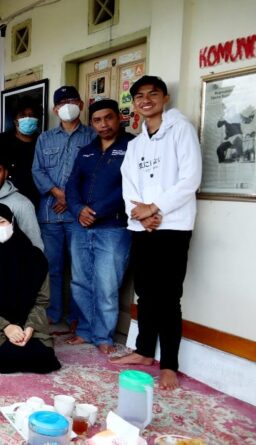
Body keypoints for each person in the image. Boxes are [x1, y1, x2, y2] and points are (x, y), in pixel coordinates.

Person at [112, 75, 202, 390]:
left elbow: (190, 179)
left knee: (168, 297)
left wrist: (154, 208)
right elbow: (128, 184)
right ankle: (145, 351)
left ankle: (169, 365)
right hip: (143, 228)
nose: (146, 100)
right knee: (145, 292)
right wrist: (141, 215)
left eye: (153, 94)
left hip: (173, 227)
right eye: (140, 96)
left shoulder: (181, 130)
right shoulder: (136, 143)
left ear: (165, 98)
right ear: (134, 103)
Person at [65, 99, 134, 353]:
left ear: (119, 118)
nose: (103, 124)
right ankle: (85, 330)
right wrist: (77, 209)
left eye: (108, 118)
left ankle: (103, 336)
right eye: (97, 120)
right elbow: (72, 185)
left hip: (113, 227)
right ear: (91, 123)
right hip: (81, 226)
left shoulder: (133, 146)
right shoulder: (86, 151)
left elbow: (130, 187)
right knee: (80, 282)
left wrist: (95, 212)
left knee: (106, 285)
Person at [32, 85, 95, 325]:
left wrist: (70, 199)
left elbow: (94, 173)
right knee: (52, 268)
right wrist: (58, 194)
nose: (67, 106)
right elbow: (37, 170)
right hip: (50, 215)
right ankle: (53, 313)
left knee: (81, 270)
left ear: (81, 104)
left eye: (72, 101)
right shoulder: (45, 138)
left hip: (79, 216)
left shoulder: (92, 136)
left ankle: (78, 317)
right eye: (61, 103)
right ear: (55, 109)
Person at [0, 204, 61, 374]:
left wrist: (29, 328)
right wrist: (6, 327)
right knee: (2, 360)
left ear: (12, 222)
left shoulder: (35, 257)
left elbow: (41, 301)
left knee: (43, 359)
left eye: (2, 222)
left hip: (30, 325)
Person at [0, 96, 42, 207]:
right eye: (22, 116)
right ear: (15, 120)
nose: (27, 119)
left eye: (31, 115)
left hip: (36, 202)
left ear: (37, 119)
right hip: (5, 201)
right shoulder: (1, 141)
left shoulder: (43, 142)